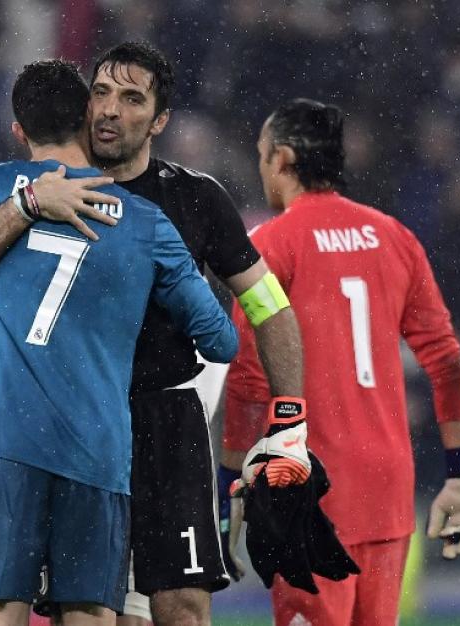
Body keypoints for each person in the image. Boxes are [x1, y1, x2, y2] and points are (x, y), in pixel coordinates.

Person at [0, 59, 239, 626]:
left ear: (18, 130)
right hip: (98, 452)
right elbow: (222, 341)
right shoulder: (147, 222)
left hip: (9, 442)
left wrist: (24, 205)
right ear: (89, 116)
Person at [223, 98, 460, 626]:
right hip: (387, 489)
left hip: (310, 492)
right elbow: (446, 361)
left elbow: (249, 379)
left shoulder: (270, 246)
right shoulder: (394, 236)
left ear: (281, 159)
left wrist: (231, 483)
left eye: (262, 155)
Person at [86, 42, 306, 626]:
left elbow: (269, 307)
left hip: (167, 421)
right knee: (89, 612)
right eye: (101, 93)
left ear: (159, 120)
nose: (110, 109)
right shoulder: (59, 188)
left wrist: (290, 417)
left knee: (183, 608)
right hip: (82, 418)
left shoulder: (196, 198)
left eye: (131, 98)